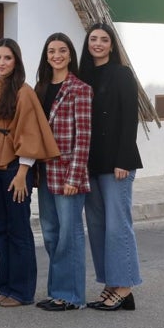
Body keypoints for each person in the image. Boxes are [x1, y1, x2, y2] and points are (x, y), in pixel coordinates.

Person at [0, 38, 59, 308]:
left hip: (13, 168)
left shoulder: (24, 92)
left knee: (19, 230)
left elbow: (30, 131)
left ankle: (22, 291)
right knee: (0, 230)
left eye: (7, 58)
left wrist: (22, 172)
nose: (1, 63)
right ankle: (6, 287)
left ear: (16, 61)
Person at [79, 22, 144, 312]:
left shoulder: (122, 74)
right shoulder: (83, 75)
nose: (98, 43)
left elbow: (130, 118)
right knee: (97, 227)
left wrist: (123, 160)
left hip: (117, 163)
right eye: (93, 39)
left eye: (104, 39)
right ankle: (110, 283)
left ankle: (126, 285)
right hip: (91, 163)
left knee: (118, 227)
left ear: (112, 45)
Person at [34, 33, 92, 312]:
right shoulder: (41, 88)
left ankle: (71, 296)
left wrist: (75, 177)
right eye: (51, 51)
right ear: (46, 56)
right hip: (45, 172)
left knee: (70, 234)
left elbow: (84, 137)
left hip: (68, 173)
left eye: (62, 50)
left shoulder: (79, 89)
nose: (56, 55)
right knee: (50, 233)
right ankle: (58, 291)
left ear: (70, 55)